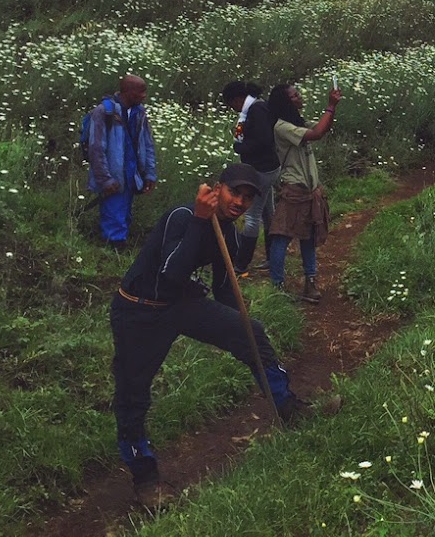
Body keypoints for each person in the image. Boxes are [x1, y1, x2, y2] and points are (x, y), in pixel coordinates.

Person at [110, 163, 305, 507]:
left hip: (180, 304)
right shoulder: (183, 217)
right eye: (235, 193)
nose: (240, 202)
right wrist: (201, 220)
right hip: (139, 310)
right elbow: (171, 273)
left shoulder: (227, 232)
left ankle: (288, 407)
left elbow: (223, 287)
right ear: (218, 189)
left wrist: (235, 325)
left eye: (248, 198)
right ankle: (145, 479)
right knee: (132, 393)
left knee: (252, 333)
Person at [267, 80, 340, 303]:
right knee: (281, 237)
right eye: (295, 96)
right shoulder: (281, 127)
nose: (299, 97)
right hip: (294, 189)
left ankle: (310, 281)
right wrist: (331, 106)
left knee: (307, 237)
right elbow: (316, 133)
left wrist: (331, 110)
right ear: (285, 103)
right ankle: (277, 288)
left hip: (308, 190)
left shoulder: (293, 122)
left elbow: (321, 129)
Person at [85, 73, 158, 248]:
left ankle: (117, 249)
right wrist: (105, 179)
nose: (144, 96)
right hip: (113, 178)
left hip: (132, 176)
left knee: (124, 215)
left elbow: (147, 144)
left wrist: (149, 174)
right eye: (141, 92)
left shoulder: (139, 113)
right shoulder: (104, 112)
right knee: (113, 218)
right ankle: (112, 253)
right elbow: (96, 148)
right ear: (128, 91)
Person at [220, 80, 280, 274]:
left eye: (232, 105)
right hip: (266, 168)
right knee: (268, 212)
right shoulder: (254, 109)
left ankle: (241, 263)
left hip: (262, 169)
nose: (233, 109)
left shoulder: (256, 110)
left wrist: (241, 148)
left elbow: (264, 140)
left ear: (238, 99)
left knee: (252, 217)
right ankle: (273, 257)